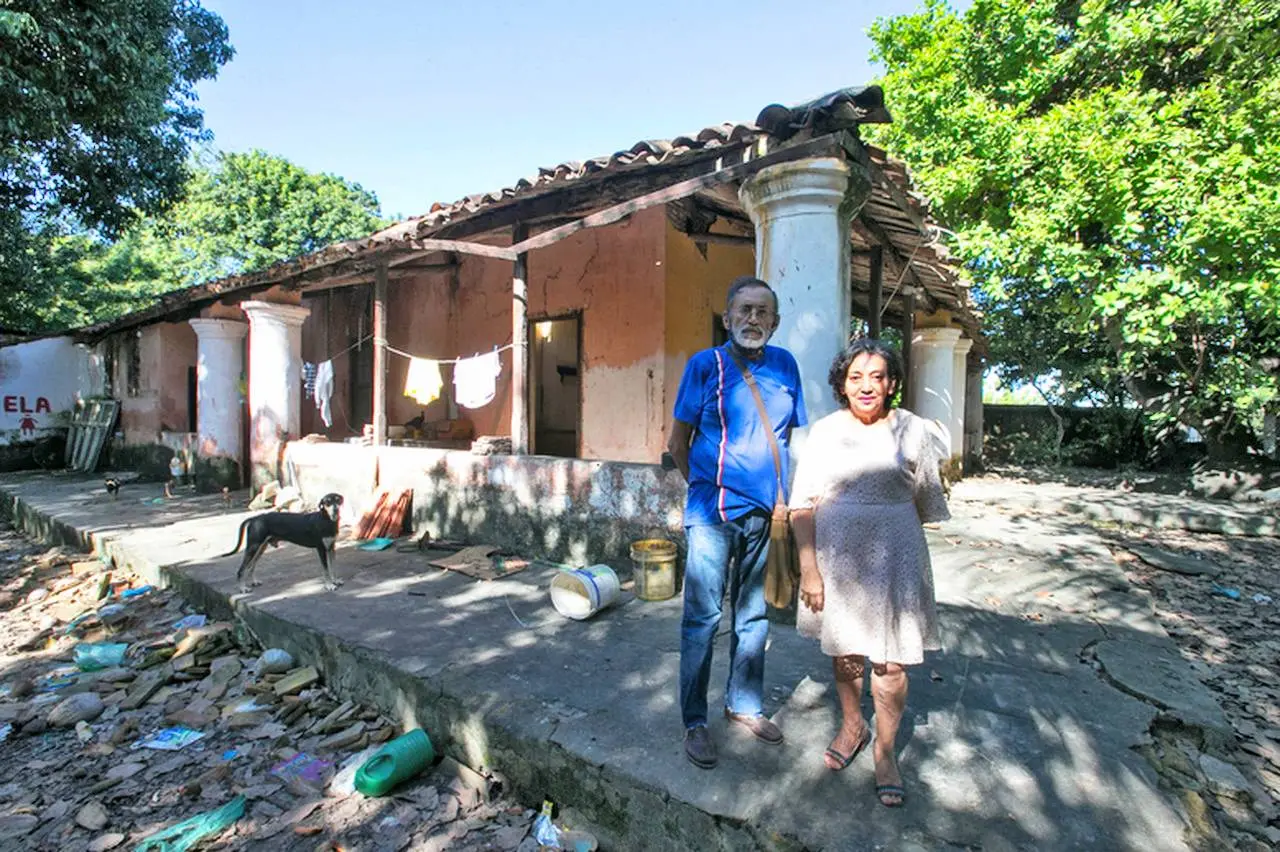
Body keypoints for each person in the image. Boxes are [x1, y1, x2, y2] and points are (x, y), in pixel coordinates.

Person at [788, 338, 950, 807]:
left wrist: (893, 530)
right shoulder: (823, 432)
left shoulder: (912, 429)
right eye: (855, 377)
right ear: (842, 383)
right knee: (845, 652)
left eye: (876, 376)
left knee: (892, 661)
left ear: (891, 383)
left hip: (896, 557)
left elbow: (925, 498)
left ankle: (884, 750)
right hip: (839, 561)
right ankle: (852, 724)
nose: (865, 386)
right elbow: (801, 505)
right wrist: (809, 570)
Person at [667, 275, 807, 770]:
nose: (753, 319)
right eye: (744, 310)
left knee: (753, 617)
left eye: (762, 311)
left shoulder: (787, 366)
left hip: (766, 517)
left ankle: (743, 704)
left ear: (774, 321)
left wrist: (786, 502)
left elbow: (792, 441)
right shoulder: (705, 366)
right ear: (727, 319)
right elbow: (677, 444)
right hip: (712, 514)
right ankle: (695, 721)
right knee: (702, 620)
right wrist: (702, 487)